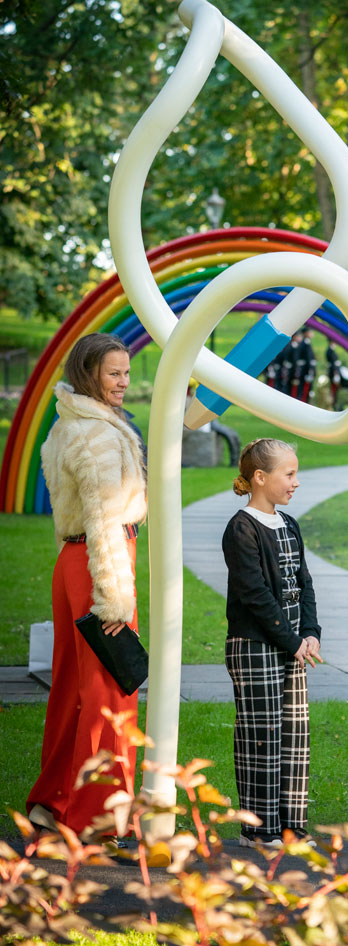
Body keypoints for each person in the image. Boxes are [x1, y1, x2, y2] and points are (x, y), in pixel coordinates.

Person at [27, 333, 147, 837]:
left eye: (125, 372)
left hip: (76, 561)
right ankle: (99, 819)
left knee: (74, 690)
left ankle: (52, 803)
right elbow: (101, 518)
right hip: (103, 560)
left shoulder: (70, 423)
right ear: (89, 375)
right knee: (109, 693)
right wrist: (114, 595)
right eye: (113, 374)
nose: (123, 382)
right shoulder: (95, 434)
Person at [222, 439, 322, 846]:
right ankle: (258, 829)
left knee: (294, 736)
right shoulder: (241, 528)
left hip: (292, 644)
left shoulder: (289, 525)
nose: (296, 482)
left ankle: (289, 827)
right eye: (290, 474)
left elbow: (305, 583)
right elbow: (256, 594)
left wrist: (311, 633)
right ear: (260, 478)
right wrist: (291, 640)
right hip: (256, 645)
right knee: (261, 736)